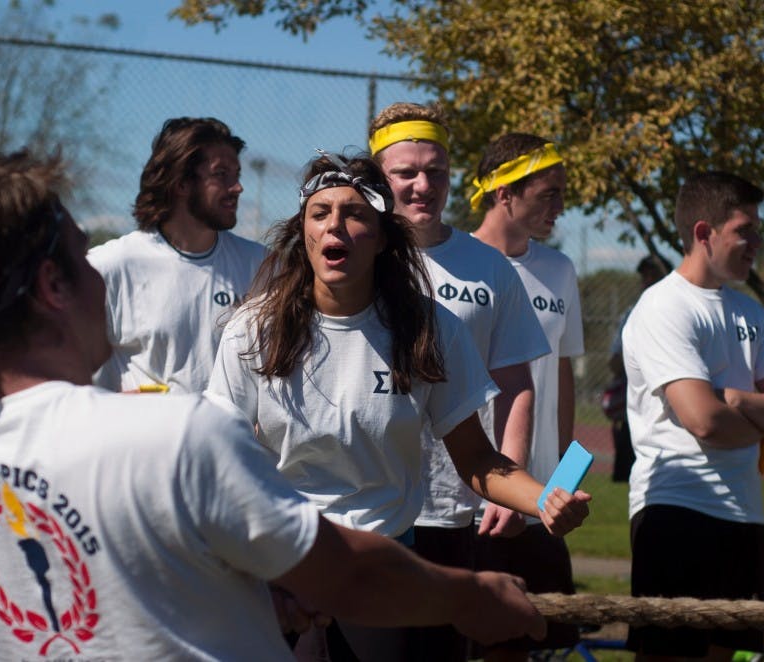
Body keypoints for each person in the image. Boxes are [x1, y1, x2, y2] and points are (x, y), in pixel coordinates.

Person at [0, 149, 564, 660]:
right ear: (54, 285)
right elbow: (347, 575)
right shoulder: (172, 439)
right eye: (83, 255)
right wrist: (472, 597)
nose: (103, 271)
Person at [208, 152, 590, 661]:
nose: (334, 226)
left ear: (384, 235)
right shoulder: (252, 329)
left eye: (354, 213)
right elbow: (216, 458)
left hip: (381, 569)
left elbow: (477, 459)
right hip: (283, 566)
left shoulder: (429, 330)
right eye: (319, 213)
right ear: (303, 231)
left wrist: (543, 499)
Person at [368, 103, 550, 660]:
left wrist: (511, 481)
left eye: (437, 171)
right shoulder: (353, 257)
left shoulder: (489, 266)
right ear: (378, 178)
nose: (424, 186)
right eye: (406, 173)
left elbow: (517, 382)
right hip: (365, 504)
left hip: (453, 505)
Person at [622, 171, 764, 660]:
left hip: (743, 516)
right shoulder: (663, 306)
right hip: (676, 512)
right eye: (745, 229)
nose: (757, 242)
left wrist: (740, 400)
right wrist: (762, 417)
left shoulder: (749, 313)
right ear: (704, 233)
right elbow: (703, 420)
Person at [469, 133, 586, 660]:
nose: (560, 207)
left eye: (561, 194)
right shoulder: (453, 263)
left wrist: (557, 483)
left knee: (539, 646)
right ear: (503, 194)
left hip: (535, 501)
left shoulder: (559, 270)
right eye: (548, 194)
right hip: (467, 505)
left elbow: (561, 373)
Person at [89, 117, 266, 393]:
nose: (237, 187)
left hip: (228, 437)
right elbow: (62, 372)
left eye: (237, 174)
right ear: (181, 183)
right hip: (144, 436)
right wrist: (111, 405)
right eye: (221, 174)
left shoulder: (262, 266)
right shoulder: (109, 266)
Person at [605, 256, 666, 482]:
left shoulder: (679, 311)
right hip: (637, 408)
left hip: (669, 405)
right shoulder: (632, 314)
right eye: (645, 276)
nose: (648, 281)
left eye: (654, 275)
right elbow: (613, 362)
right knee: (634, 475)